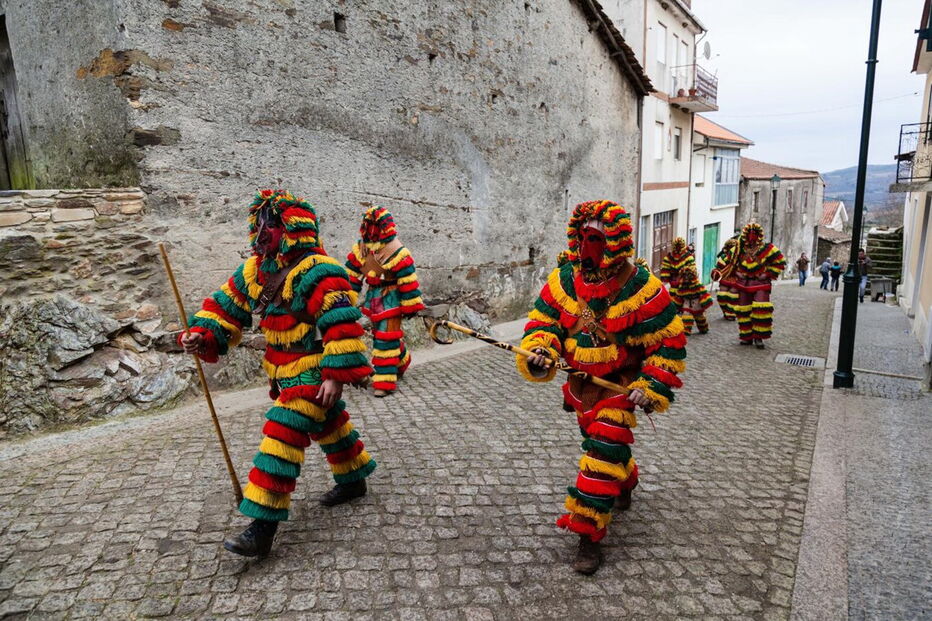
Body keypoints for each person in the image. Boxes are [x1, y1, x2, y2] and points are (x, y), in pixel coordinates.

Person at [180, 189, 377, 557]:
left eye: (272, 223)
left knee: (282, 435)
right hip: (281, 369)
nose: (263, 231)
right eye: (261, 222)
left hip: (313, 369)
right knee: (328, 423)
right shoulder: (255, 270)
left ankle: (262, 527)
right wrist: (202, 334)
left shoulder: (321, 270)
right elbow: (226, 306)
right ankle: (353, 478)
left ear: (292, 227)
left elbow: (341, 324)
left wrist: (335, 376)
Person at [517, 200, 686, 575]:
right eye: (583, 238)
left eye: (596, 239)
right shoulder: (563, 279)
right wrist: (541, 349)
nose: (586, 249)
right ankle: (625, 481)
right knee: (600, 446)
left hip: (620, 386)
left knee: (603, 450)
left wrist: (651, 383)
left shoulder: (642, 286)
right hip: (582, 385)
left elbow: (669, 343)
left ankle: (587, 536)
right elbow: (543, 323)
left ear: (615, 241)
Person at [344, 206, 425, 397]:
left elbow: (408, 280)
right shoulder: (361, 250)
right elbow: (352, 275)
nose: (371, 228)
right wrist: (346, 298)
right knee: (383, 334)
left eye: (375, 225)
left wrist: (410, 304)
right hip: (373, 300)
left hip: (392, 300)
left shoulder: (398, 252)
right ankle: (402, 359)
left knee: (385, 337)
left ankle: (384, 381)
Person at [713, 222, 786, 349]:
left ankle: (759, 337)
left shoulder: (768, 249)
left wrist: (767, 274)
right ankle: (746, 336)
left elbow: (780, 262)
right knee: (743, 310)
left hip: (761, 284)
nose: (751, 241)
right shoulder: (738, 248)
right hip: (743, 284)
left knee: (760, 310)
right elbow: (726, 261)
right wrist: (729, 272)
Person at [672, 264, 713, 334]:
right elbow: (679, 296)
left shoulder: (697, 285)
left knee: (700, 318)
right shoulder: (682, 287)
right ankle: (686, 330)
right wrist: (675, 305)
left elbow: (703, 294)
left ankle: (703, 328)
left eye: (688, 276)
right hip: (687, 304)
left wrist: (705, 302)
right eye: (685, 276)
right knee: (686, 316)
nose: (686, 278)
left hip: (697, 304)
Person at [713, 236, 740, 320]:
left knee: (733, 296)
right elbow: (718, 268)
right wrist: (715, 273)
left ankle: (731, 313)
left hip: (736, 279)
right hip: (725, 278)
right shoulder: (723, 258)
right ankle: (725, 311)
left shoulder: (740, 259)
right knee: (721, 296)